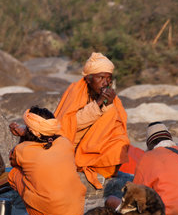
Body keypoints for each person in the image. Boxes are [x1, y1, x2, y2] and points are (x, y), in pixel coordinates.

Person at [53, 52, 131, 189]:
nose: (105, 82)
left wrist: (109, 105)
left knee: (121, 143)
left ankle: (99, 166)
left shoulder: (112, 96)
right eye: (101, 78)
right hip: (73, 143)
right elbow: (69, 123)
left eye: (109, 79)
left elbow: (117, 125)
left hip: (98, 143)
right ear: (89, 79)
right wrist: (98, 104)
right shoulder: (75, 91)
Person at [8, 106, 86, 215]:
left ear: (31, 130)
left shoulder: (22, 150)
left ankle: (37, 214)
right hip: (76, 213)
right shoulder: (65, 142)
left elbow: (14, 162)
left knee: (14, 173)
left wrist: (23, 136)